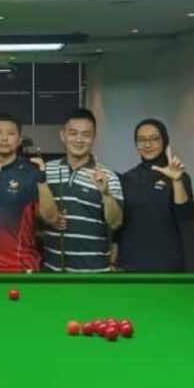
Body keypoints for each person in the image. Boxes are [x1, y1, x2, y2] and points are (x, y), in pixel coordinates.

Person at [0, 113, 59, 272]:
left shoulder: (32, 173)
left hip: (21, 264)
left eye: (10, 133)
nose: (4, 138)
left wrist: (42, 180)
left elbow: (50, 217)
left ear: (19, 140)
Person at [43, 108, 124, 273]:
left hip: (94, 273)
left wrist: (106, 194)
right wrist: (49, 219)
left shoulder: (108, 176)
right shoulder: (46, 171)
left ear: (94, 138)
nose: (79, 140)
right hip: (52, 272)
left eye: (86, 135)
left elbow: (116, 222)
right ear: (63, 135)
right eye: (73, 133)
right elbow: (33, 216)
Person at [113, 119, 193, 272]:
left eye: (154, 139)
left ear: (165, 141)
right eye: (141, 140)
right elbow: (119, 227)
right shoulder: (127, 178)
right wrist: (113, 261)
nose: (147, 144)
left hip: (168, 264)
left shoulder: (179, 176)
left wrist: (176, 180)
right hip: (130, 263)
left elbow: (184, 217)